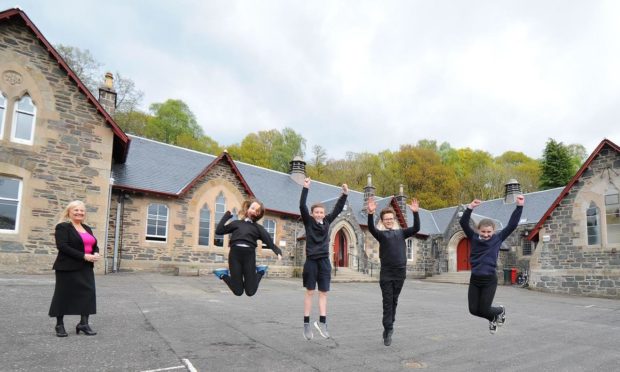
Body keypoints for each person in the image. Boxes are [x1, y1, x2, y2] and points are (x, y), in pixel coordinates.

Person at [460, 195, 524, 334]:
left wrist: (519, 206)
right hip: (475, 280)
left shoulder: (498, 238)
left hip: (489, 280)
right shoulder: (473, 238)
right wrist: (470, 208)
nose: (486, 234)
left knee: (483, 309)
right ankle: (493, 318)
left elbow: (512, 225)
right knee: (473, 310)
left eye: (489, 232)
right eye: (483, 231)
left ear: (493, 231)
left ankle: (500, 310)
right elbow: (463, 223)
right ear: (478, 230)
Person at [367, 196, 420, 346]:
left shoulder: (402, 233)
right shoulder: (381, 235)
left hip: (400, 273)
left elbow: (416, 228)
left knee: (394, 301)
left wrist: (415, 213)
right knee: (387, 301)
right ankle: (388, 328)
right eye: (386, 219)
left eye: (390, 218)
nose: (388, 221)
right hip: (386, 273)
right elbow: (371, 228)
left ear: (394, 219)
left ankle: (390, 325)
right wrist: (371, 214)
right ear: (383, 221)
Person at [300, 177, 348, 340]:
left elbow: (338, 209)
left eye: (321, 212)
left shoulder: (327, 221)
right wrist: (305, 188)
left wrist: (344, 195)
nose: (319, 214)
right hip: (312, 261)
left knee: (324, 293)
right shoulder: (309, 222)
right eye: (317, 212)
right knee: (310, 292)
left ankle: (322, 322)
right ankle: (306, 323)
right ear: (312, 214)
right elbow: (301, 206)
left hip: (325, 262)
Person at [48, 200, 100, 337]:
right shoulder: (63, 227)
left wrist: (95, 252)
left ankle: (83, 323)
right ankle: (59, 325)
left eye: (82, 210)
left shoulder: (87, 228)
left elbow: (94, 244)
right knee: (63, 295)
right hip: (67, 267)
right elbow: (63, 246)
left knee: (88, 294)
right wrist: (84, 256)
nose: (79, 212)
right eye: (76, 210)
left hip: (86, 267)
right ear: (69, 212)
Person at [213, 199, 282, 296]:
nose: (253, 211)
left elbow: (269, 241)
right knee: (238, 292)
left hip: (249, 257)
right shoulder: (236, 223)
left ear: (259, 214)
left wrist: (278, 252)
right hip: (235, 256)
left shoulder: (258, 228)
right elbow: (219, 231)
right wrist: (227, 216)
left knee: (250, 292)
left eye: (257, 211)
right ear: (248, 208)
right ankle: (222, 274)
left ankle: (261, 271)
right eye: (252, 208)